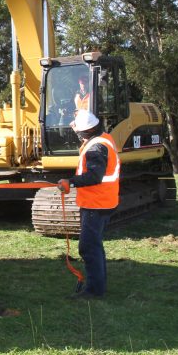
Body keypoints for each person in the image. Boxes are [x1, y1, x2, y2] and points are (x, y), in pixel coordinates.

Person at [57, 109, 120, 299]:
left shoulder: (96, 147)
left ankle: (94, 290)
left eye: (78, 129)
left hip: (97, 204)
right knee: (94, 245)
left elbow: (94, 175)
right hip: (101, 202)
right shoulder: (102, 139)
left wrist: (71, 182)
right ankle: (98, 286)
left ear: (86, 131)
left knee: (88, 246)